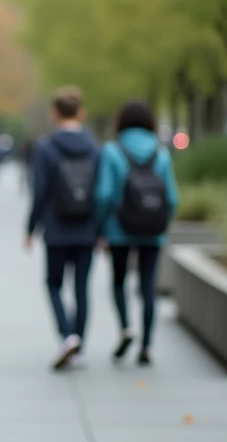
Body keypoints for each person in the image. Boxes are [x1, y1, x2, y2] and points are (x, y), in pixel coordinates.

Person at [95, 99, 179, 367]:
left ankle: (126, 328)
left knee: (119, 280)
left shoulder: (112, 150)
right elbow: (173, 197)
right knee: (147, 286)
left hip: (119, 229)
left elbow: (104, 194)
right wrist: (163, 223)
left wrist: (101, 227)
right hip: (152, 231)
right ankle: (147, 346)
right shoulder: (161, 152)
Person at [24, 86, 101, 371]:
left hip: (56, 229)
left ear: (55, 112)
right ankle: (79, 345)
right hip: (86, 229)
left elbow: (39, 191)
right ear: (81, 112)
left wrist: (30, 228)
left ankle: (67, 335)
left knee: (54, 284)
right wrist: (101, 229)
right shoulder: (95, 147)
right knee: (81, 287)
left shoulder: (46, 147)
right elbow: (102, 193)